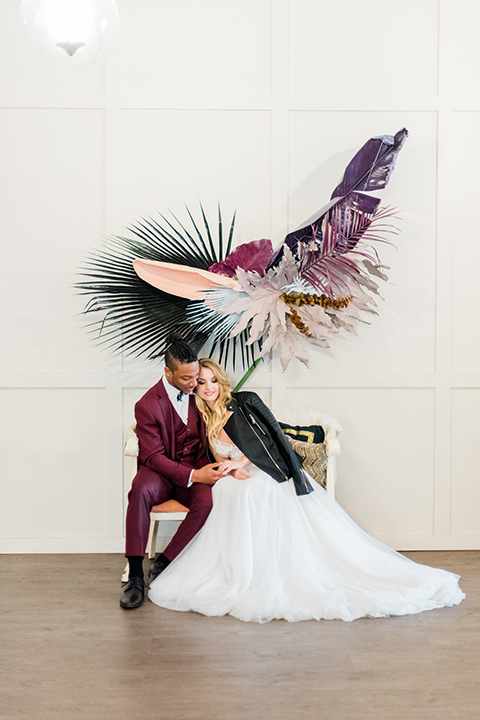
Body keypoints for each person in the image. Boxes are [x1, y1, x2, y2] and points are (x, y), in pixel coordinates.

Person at [148, 358, 465, 622]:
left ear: (221, 380)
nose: (208, 388)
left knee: (246, 493)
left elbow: (273, 438)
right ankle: (239, 569)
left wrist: (242, 464)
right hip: (239, 476)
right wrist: (228, 470)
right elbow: (219, 458)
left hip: (272, 471)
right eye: (201, 383)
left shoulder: (244, 401)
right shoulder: (205, 419)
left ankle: (259, 571)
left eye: (212, 380)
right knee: (228, 492)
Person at [120, 337, 224, 609]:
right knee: (140, 491)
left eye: (196, 376)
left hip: (194, 468)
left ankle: (165, 561)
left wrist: (204, 471)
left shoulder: (199, 395)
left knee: (208, 503)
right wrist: (195, 476)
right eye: (187, 378)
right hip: (159, 471)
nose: (194, 383)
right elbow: (152, 457)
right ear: (168, 372)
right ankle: (135, 575)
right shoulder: (147, 404)